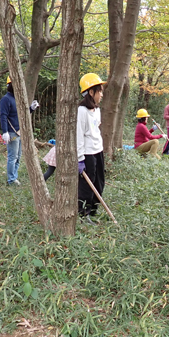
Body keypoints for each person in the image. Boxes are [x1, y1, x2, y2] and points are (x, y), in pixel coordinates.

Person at [77, 73, 106, 224]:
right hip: (87, 154)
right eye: (99, 91)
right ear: (91, 92)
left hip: (98, 150)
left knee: (100, 181)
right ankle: (83, 214)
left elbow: (96, 127)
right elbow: (79, 135)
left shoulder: (97, 109)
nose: (101, 94)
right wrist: (80, 159)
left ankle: (93, 210)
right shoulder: (81, 111)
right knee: (87, 185)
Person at [0, 76, 39, 186]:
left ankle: (14, 177)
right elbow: (3, 116)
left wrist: (31, 108)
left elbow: (21, 115)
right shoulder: (6, 99)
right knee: (12, 157)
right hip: (12, 133)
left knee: (18, 157)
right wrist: (5, 132)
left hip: (20, 132)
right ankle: (11, 180)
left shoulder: (18, 99)